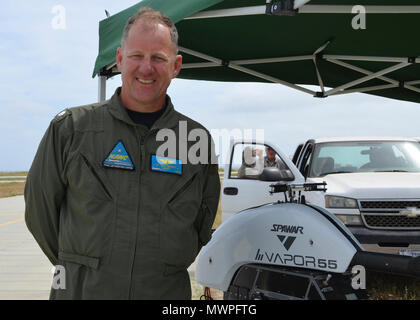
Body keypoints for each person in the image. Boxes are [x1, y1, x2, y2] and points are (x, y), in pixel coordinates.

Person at [24, 7, 220, 300]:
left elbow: (201, 225)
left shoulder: (195, 141)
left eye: (158, 58)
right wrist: (82, 267)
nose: (146, 68)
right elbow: (40, 214)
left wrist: (158, 267)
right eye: (136, 56)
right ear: (119, 60)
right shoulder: (71, 129)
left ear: (176, 66)